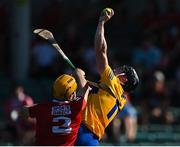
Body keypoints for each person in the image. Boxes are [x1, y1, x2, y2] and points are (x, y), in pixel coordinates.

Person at [75, 8, 139, 146]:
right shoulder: (119, 97)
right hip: (92, 139)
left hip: (81, 132)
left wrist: (101, 23)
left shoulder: (113, 83)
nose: (117, 68)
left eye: (122, 69)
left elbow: (100, 50)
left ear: (124, 79)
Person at [19, 68, 91, 146]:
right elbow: (84, 88)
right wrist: (79, 74)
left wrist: (36, 107)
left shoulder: (41, 108)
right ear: (71, 95)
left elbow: (22, 111)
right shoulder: (77, 107)